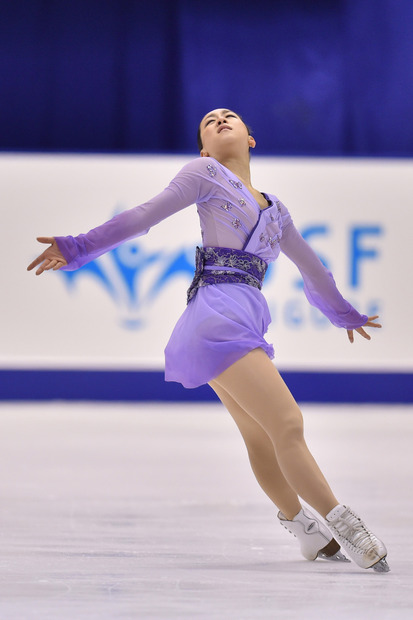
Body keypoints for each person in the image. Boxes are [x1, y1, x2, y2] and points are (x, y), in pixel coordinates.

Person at [27, 108, 389, 572]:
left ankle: (307, 532)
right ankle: (348, 529)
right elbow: (142, 217)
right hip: (218, 314)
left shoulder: (276, 210)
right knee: (288, 424)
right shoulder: (204, 173)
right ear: (203, 147)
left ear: (251, 139)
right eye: (208, 121)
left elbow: (312, 269)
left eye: (230, 116)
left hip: (232, 317)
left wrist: (342, 312)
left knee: (261, 437)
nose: (219, 119)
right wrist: (78, 246)